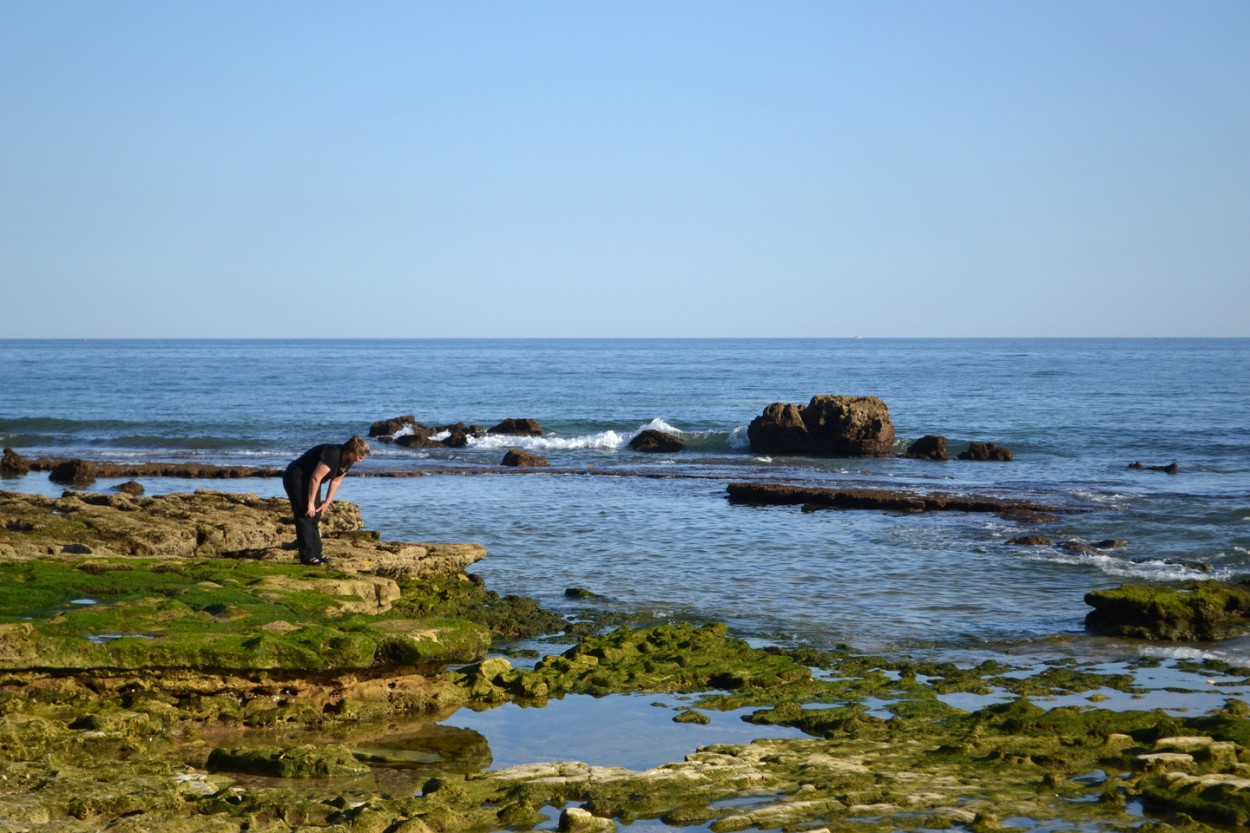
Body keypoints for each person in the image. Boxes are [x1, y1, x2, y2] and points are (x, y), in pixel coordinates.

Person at [283, 434, 370, 565]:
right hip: (296, 476)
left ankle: (317, 553)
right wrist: (311, 503)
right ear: (352, 452)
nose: (360, 460)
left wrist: (326, 504)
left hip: (311, 480)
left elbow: (336, 482)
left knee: (316, 515)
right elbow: (316, 478)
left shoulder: (348, 461)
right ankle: (307, 556)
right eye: (360, 457)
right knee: (305, 514)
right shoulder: (333, 453)